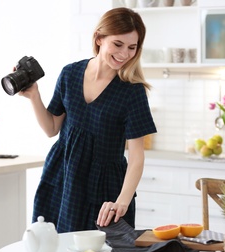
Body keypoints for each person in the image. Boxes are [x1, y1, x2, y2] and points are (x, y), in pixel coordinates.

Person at [19, 7, 156, 233]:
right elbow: (51, 128)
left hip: (103, 187)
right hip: (62, 175)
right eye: (118, 44)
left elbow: (137, 157)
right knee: (51, 248)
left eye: (132, 47)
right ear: (99, 38)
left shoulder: (132, 92)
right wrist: (34, 95)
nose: (124, 54)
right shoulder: (70, 73)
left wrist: (122, 201)